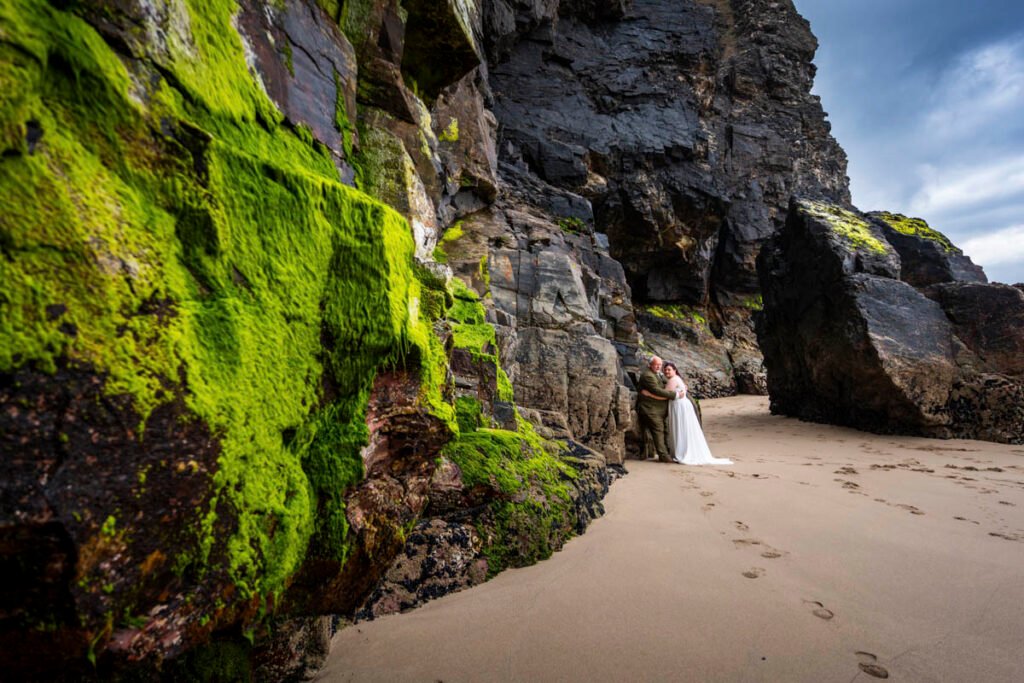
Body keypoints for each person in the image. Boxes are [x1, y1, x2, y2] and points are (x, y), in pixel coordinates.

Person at [663, 362, 732, 465]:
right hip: (683, 405)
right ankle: (683, 450)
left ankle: (682, 452)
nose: (666, 371)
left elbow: (664, 394)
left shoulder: (673, 380)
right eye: (665, 369)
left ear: (674, 370)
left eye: (669, 369)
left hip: (679, 406)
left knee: (681, 428)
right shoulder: (677, 378)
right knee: (685, 428)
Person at [636, 356, 678, 462]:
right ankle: (663, 456)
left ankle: (668, 452)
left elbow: (666, 382)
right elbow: (656, 390)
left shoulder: (658, 374)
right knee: (658, 430)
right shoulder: (647, 376)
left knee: (666, 430)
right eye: (656, 364)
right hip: (650, 409)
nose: (658, 366)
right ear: (650, 365)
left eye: (660, 364)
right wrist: (675, 395)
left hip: (659, 409)